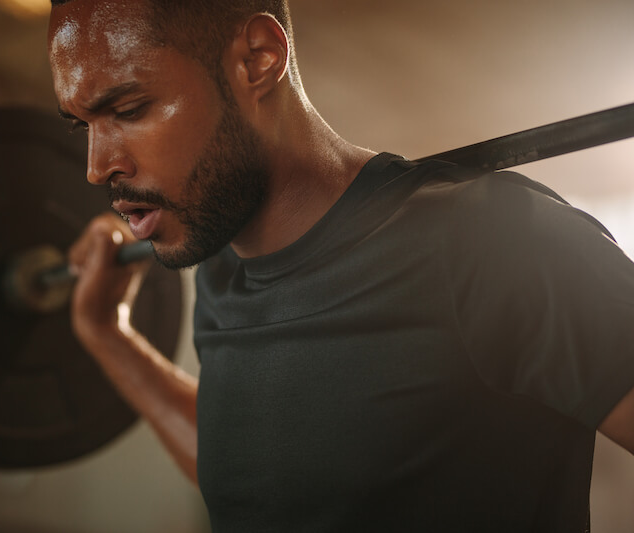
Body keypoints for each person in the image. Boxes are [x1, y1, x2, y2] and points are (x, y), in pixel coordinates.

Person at [47, 1, 634, 530]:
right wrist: (110, 338)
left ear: (257, 60)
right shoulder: (224, 272)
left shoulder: (495, 241)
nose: (98, 167)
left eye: (128, 108)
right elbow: (274, 484)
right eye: (84, 126)